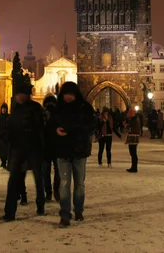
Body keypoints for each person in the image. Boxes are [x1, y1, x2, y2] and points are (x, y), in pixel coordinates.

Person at [1, 83, 46, 222]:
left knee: (38, 178)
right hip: (18, 148)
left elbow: (40, 129)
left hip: (33, 148)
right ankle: (10, 212)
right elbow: (10, 127)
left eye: (21, 94)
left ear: (27, 95)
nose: (19, 96)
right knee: (14, 179)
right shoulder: (16, 109)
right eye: (17, 94)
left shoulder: (36, 108)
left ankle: (40, 205)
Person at [54, 81, 95, 228]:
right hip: (63, 151)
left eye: (71, 94)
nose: (68, 97)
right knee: (64, 184)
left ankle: (78, 210)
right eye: (66, 94)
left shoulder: (84, 108)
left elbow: (91, 125)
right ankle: (65, 214)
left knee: (79, 184)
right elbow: (50, 125)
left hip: (79, 151)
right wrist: (55, 131)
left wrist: (72, 130)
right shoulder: (57, 108)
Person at [42, 93, 61, 203]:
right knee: (50, 172)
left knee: (47, 172)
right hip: (52, 147)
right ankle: (53, 192)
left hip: (49, 147)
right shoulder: (44, 114)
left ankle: (50, 192)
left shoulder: (52, 115)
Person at [124, 108, 141, 173]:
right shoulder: (135, 119)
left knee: (133, 153)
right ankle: (133, 167)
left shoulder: (134, 120)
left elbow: (131, 128)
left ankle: (134, 168)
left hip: (133, 138)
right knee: (133, 153)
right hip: (133, 138)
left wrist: (127, 126)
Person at [0, 103, 10, 169]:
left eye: (5, 109)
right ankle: (3, 162)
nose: (3, 110)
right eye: (2, 109)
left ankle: (5, 162)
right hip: (0, 136)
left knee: (6, 151)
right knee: (1, 151)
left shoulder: (9, 117)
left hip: (7, 136)